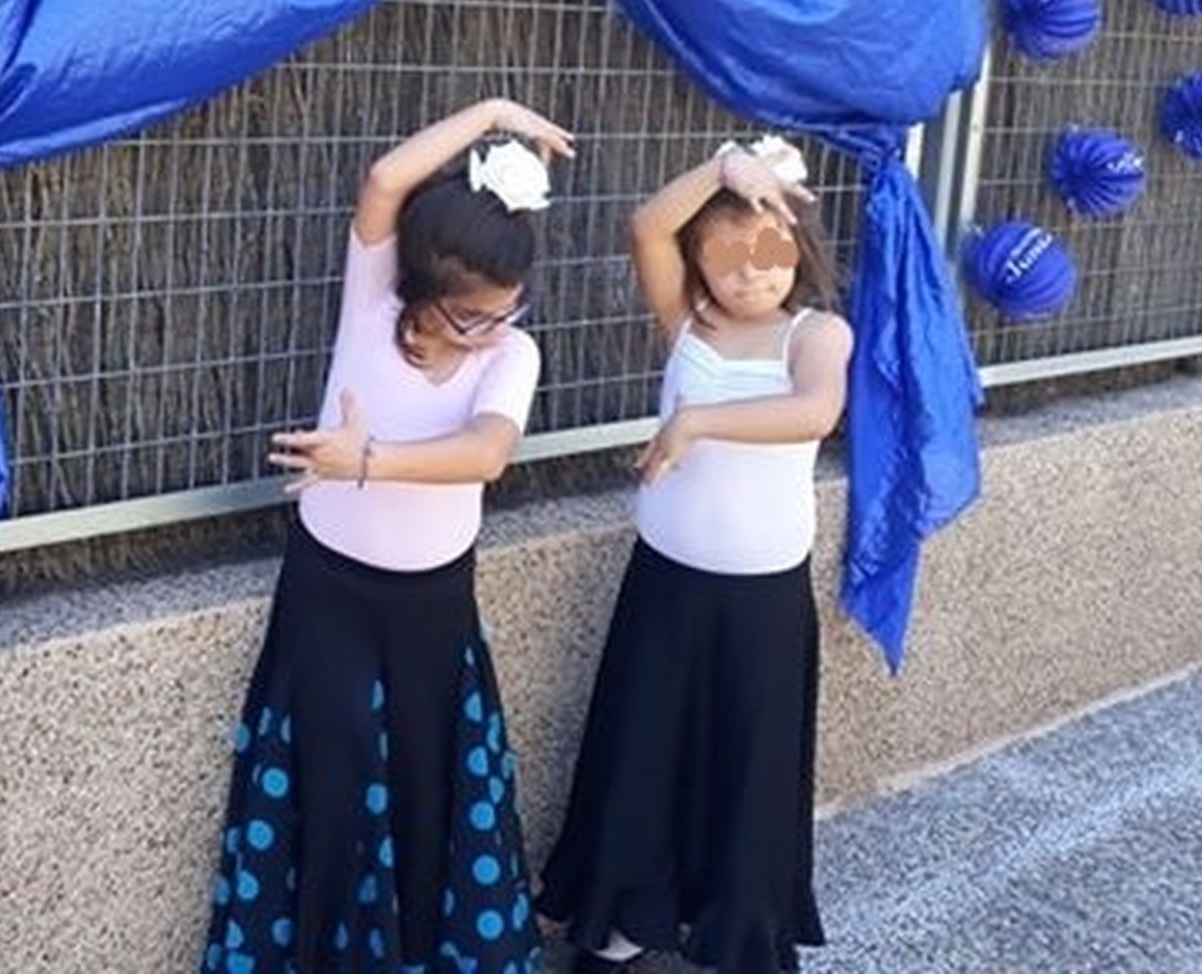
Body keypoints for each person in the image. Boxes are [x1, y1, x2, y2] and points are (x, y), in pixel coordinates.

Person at [202, 98, 573, 974]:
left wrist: (365, 460)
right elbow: (383, 180)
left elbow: (486, 453)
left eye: (508, 309)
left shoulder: (511, 356)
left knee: (423, 796)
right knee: (330, 781)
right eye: (472, 315)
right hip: (328, 592)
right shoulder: (371, 301)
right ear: (422, 291)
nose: (493, 329)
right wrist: (491, 113)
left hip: (432, 610)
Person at [538, 137, 853, 974]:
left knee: (747, 771)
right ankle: (620, 925)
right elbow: (646, 226)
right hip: (666, 587)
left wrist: (697, 421)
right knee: (642, 755)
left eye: (768, 249)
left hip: (762, 603)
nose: (751, 271)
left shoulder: (817, 334)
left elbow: (815, 412)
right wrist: (723, 168)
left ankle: (741, 933)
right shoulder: (688, 323)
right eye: (725, 253)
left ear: (798, 247)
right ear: (699, 263)